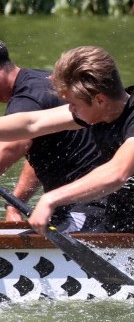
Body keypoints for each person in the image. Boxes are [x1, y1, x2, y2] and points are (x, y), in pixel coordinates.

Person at [0, 46, 134, 235]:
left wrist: (51, 198)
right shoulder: (100, 111)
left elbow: (117, 174)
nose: (70, 109)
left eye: (73, 104)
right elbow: (32, 123)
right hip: (108, 226)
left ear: (99, 99)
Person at [0, 40, 107, 231]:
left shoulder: (26, 101)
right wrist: (15, 203)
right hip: (75, 207)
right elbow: (41, 151)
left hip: (89, 208)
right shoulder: (40, 80)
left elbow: (12, 146)